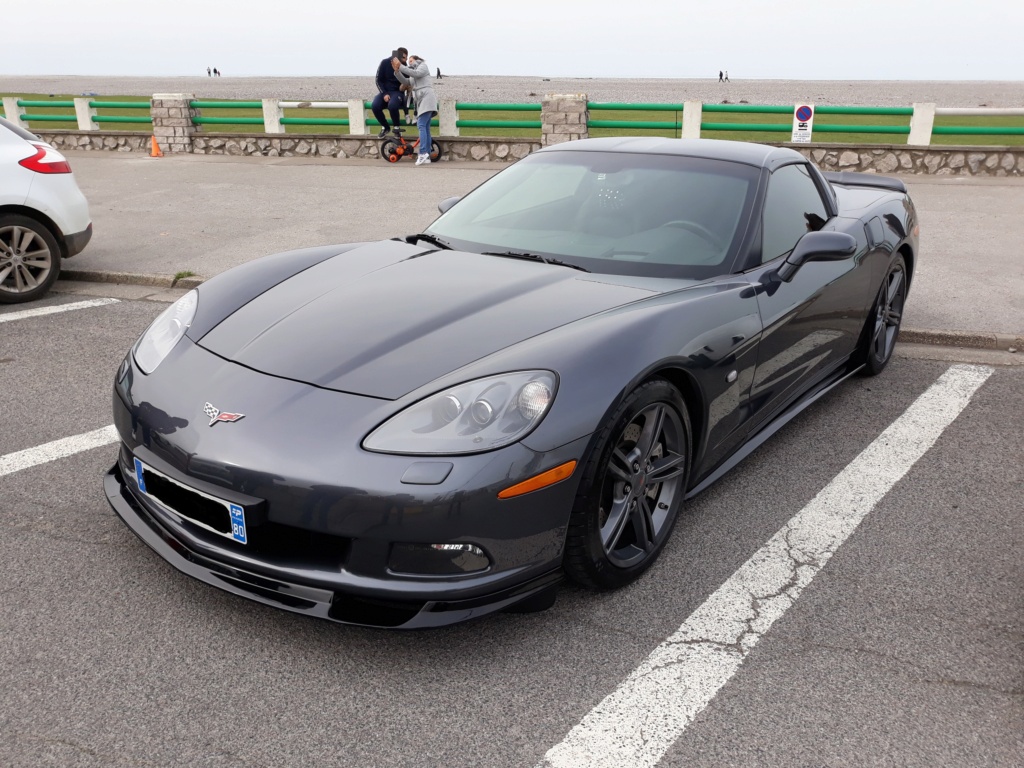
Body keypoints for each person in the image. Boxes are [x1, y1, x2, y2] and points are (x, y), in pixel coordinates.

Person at [395, 53, 438, 166]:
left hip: (427, 98)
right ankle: (427, 155)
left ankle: (423, 152)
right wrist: (397, 71)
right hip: (422, 100)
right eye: (408, 61)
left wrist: (400, 66)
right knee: (426, 127)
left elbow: (416, 73)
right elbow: (406, 82)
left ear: (417, 60)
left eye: (411, 60)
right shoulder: (412, 73)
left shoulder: (423, 66)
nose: (409, 62)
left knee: (421, 125)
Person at [372, 47, 408, 138]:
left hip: (398, 92)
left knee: (392, 105)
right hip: (385, 91)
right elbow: (378, 80)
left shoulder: (404, 66)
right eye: (403, 57)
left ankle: (396, 128)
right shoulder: (384, 62)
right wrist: (384, 94)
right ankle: (385, 127)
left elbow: (408, 81)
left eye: (406, 58)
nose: (405, 60)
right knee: (375, 106)